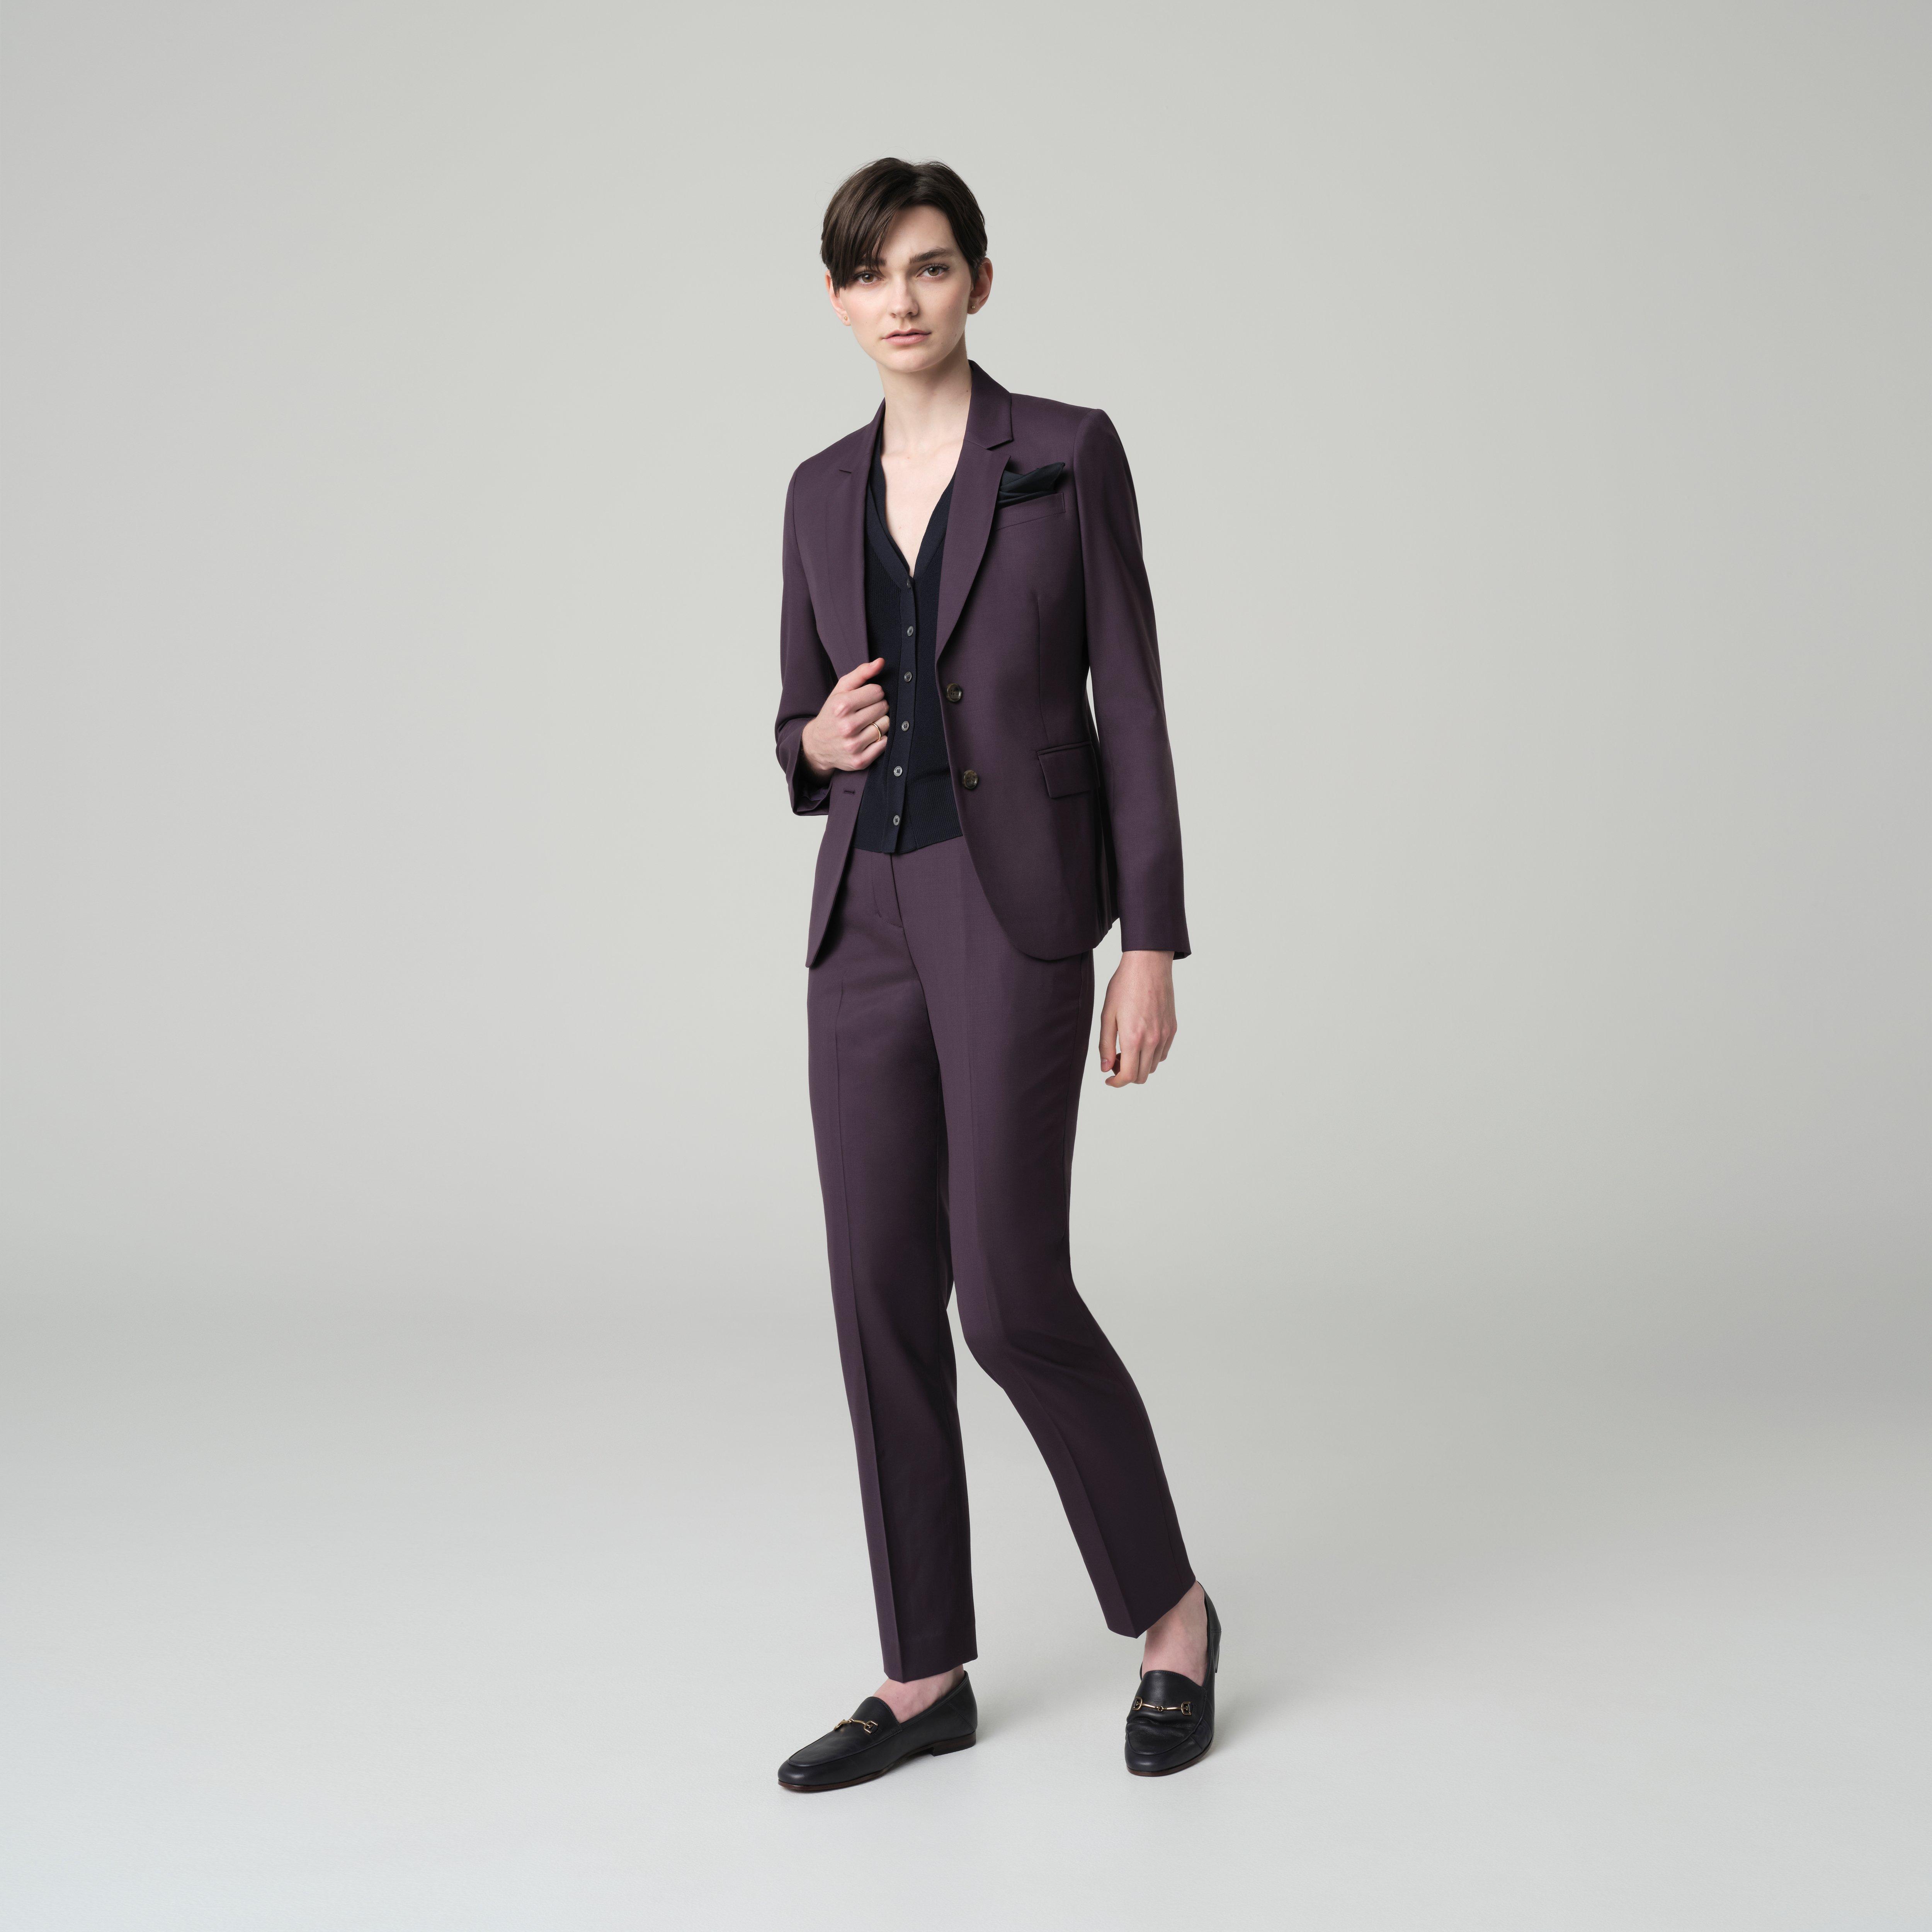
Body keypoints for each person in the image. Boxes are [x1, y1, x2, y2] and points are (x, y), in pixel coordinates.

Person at [771, 158, 1216, 1791]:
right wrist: (811, 743)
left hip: (1014, 906)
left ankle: (1170, 1611)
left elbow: (1132, 704)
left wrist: (1148, 938)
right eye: (869, 275)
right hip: (862, 921)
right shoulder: (817, 489)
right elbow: (796, 717)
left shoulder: (1065, 454)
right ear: (837, 300)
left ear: (976, 281)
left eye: (929, 267)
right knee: (876, 1291)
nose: (900, 300)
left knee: (1010, 1292)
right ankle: (922, 1674)